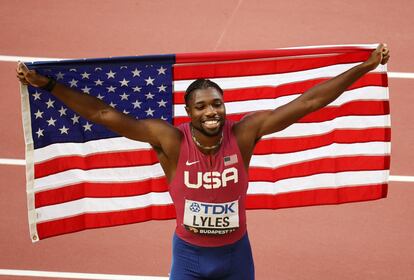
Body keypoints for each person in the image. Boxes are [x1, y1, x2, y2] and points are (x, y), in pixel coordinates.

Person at [16, 44, 390, 280]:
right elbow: (102, 113)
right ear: (188, 112)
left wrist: (366, 66)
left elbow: (307, 103)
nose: (212, 112)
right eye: (202, 106)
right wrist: (48, 85)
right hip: (190, 260)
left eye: (217, 104)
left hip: (237, 257)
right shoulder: (171, 141)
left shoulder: (243, 134)